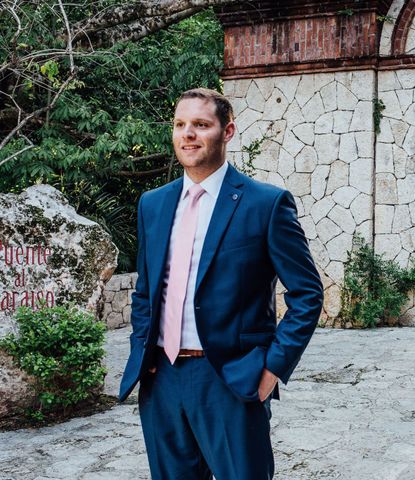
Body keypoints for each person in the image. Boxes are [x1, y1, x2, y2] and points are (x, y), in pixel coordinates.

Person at [118, 88, 324, 479]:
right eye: (180, 125)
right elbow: (146, 292)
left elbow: (307, 293)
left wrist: (272, 369)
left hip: (231, 380)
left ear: (227, 132)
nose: (188, 134)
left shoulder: (266, 204)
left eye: (201, 124)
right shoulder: (153, 204)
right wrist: (142, 354)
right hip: (161, 379)